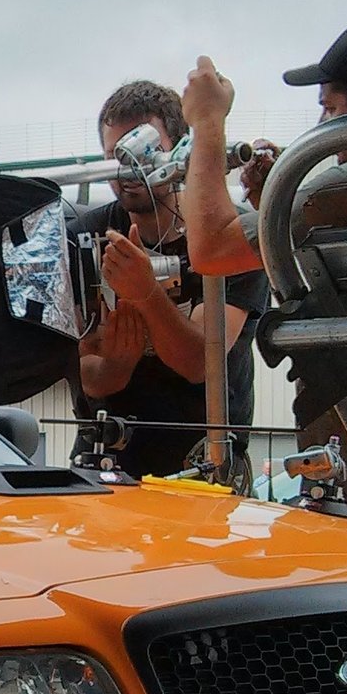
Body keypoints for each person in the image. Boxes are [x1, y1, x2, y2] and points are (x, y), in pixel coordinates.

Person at [73, 80, 269, 481]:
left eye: (142, 150)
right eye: (115, 157)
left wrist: (146, 294)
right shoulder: (85, 234)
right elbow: (85, 374)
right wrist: (115, 364)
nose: (128, 170)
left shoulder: (231, 236)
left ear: (181, 149)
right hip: (104, 461)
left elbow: (201, 362)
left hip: (203, 468)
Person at [179, 24, 347, 277]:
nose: (321, 123)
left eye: (330, 108)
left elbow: (212, 250)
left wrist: (207, 119)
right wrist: (274, 198)